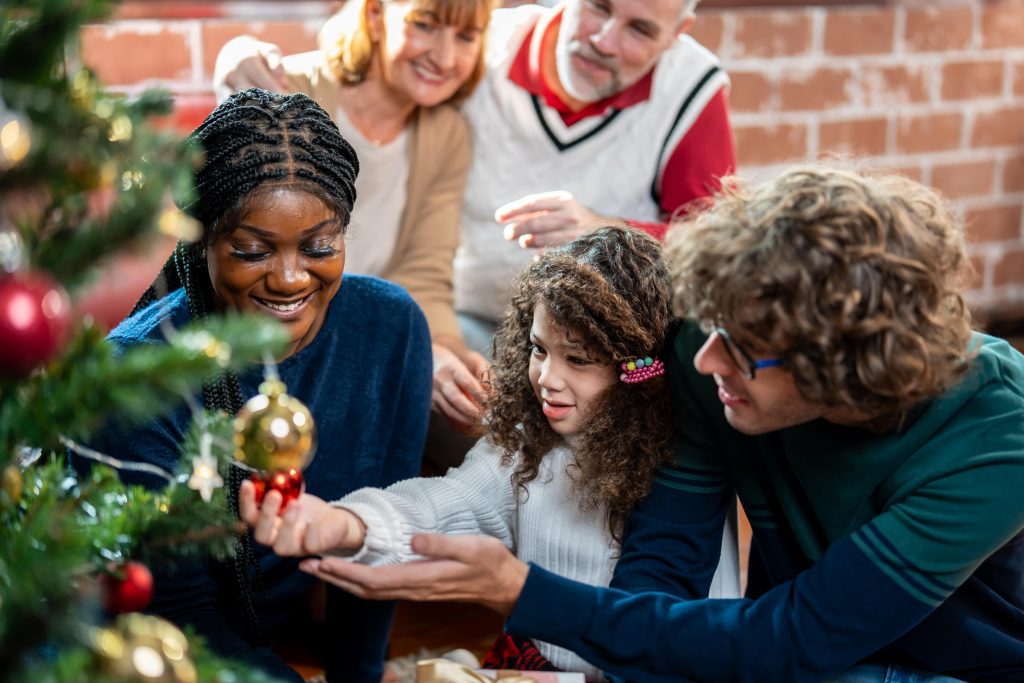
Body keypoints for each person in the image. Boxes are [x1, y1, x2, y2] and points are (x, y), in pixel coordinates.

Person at [294, 168, 1024, 682]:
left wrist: (526, 591)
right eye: (710, 329)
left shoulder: (996, 438)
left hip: (957, 665)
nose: (703, 361)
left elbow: (789, 640)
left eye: (736, 350)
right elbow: (661, 572)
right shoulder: (717, 351)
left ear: (841, 366)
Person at [214, 0, 735, 440]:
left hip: (593, 345)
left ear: (676, 34)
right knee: (468, 414)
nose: (604, 39)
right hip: (464, 319)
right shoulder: (489, 44)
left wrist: (608, 231)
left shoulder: (691, 88)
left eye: (639, 29)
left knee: (664, 384)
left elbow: (717, 245)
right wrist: (237, 56)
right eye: (598, 6)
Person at [238, 226, 740, 680]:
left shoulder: (680, 466)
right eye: (539, 349)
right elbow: (445, 503)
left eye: (579, 359)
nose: (547, 378)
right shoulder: (533, 440)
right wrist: (345, 523)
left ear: (638, 369)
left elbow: (672, 633)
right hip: (534, 660)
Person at [77, 89, 433, 683]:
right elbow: (174, 613)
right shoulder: (137, 375)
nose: (291, 278)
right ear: (202, 241)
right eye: (251, 251)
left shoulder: (390, 329)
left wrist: (358, 675)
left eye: (320, 247)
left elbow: (380, 540)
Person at [214, 0, 497, 431]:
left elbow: (424, 268)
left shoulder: (447, 133)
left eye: (465, 37)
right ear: (375, 17)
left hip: (368, 342)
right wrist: (233, 53)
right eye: (424, 25)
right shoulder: (292, 92)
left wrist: (442, 348)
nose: (444, 57)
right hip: (272, 337)